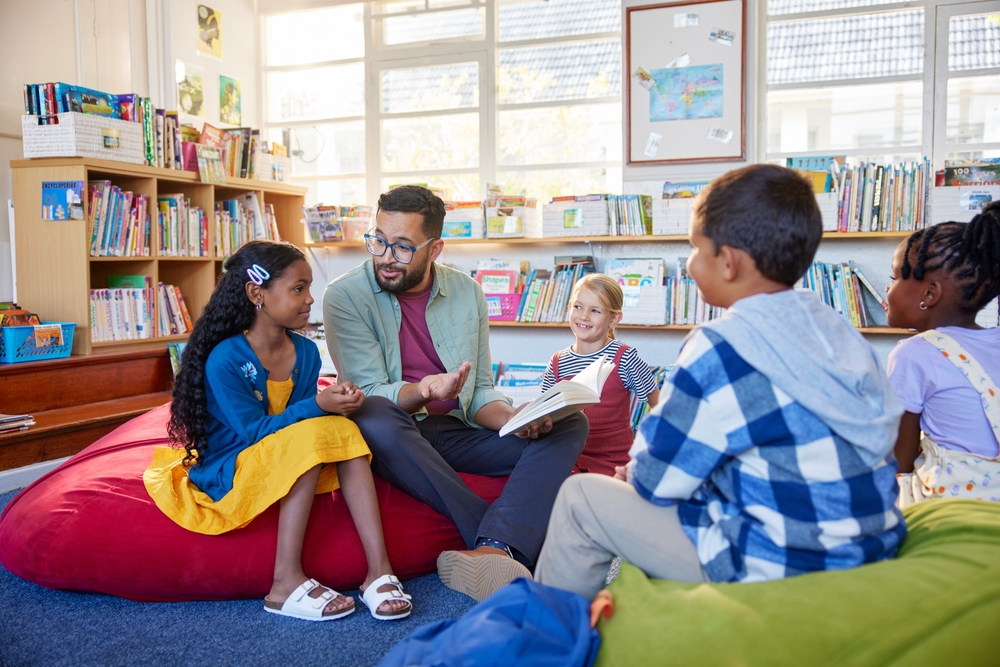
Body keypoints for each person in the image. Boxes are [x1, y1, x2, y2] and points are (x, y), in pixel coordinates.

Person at [534, 164, 907, 601]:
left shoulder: (719, 345)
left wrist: (635, 471)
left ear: (728, 262)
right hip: (870, 538)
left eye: (694, 249)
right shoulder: (836, 326)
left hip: (781, 557)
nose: (690, 264)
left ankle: (545, 636)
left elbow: (657, 478)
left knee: (580, 498)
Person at [323, 185, 588, 602]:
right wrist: (425, 390)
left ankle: (493, 549)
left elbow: (480, 391)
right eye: (378, 241)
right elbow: (367, 390)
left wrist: (516, 417)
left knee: (570, 421)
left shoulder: (467, 292)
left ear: (435, 248)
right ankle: (501, 537)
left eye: (403, 247)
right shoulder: (344, 295)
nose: (386, 257)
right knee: (373, 411)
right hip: (394, 436)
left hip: (456, 432)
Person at [144, 240, 412, 622]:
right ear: (258, 293)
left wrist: (338, 402)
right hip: (233, 462)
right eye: (298, 289)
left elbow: (302, 420)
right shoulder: (227, 358)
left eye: (309, 288)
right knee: (308, 436)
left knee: (344, 429)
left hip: (281, 454)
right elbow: (254, 431)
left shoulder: (305, 352)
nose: (309, 300)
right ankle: (285, 581)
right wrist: (318, 405)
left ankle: (378, 570)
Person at [885, 202, 1000, 505]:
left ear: (929, 294)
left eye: (895, 277)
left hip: (950, 509)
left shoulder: (914, 354)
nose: (888, 288)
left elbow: (899, 461)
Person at [539, 273, 660, 476]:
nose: (584, 316)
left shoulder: (625, 357)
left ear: (614, 319)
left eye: (595, 310)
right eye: (578, 307)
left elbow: (659, 404)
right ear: (569, 307)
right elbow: (545, 414)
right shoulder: (557, 362)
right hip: (568, 461)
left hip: (613, 464)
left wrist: (653, 451)